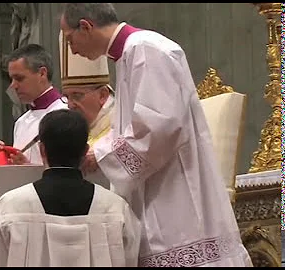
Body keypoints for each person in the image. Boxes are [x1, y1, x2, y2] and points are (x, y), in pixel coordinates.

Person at [60, 3, 252, 267]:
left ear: (86, 26)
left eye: (70, 39)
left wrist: (100, 156)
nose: (73, 49)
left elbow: (160, 127)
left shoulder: (146, 50)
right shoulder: (130, 54)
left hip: (175, 194)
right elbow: (133, 127)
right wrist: (99, 152)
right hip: (159, 185)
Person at [0, 109, 141, 267]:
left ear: (42, 150)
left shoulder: (8, 207)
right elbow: (131, 258)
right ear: (85, 151)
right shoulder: (115, 209)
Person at [0, 44, 68, 166]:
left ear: (42, 74)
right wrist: (5, 157)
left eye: (19, 78)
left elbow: (67, 170)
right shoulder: (21, 122)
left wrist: (27, 166)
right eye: (11, 79)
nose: (13, 86)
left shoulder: (66, 115)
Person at [59, 29, 115, 189]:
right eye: (67, 97)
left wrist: (100, 156)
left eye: (77, 96)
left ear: (103, 95)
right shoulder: (75, 128)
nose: (70, 105)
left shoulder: (122, 121)